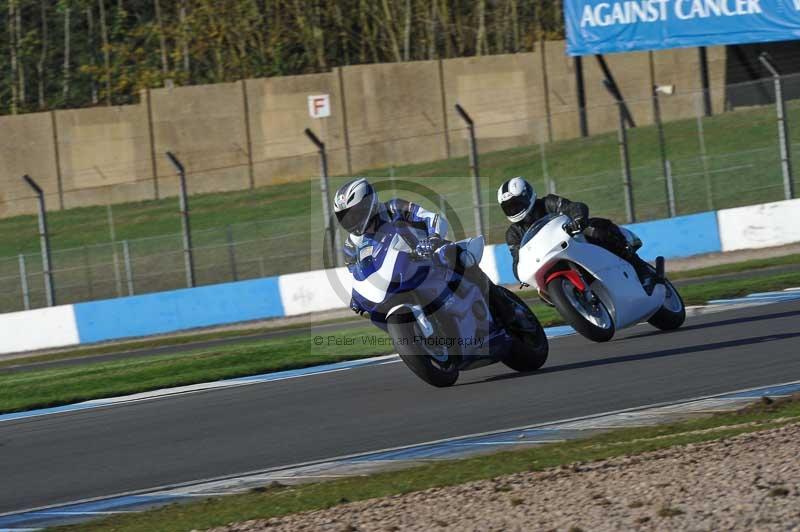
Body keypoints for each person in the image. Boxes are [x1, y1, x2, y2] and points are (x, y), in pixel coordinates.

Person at [333, 178, 516, 328]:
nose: (352, 221)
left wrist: (433, 238)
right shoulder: (351, 246)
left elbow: (431, 218)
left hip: (429, 257)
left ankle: (503, 307)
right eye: (346, 217)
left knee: (459, 256)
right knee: (376, 313)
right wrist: (356, 297)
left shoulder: (394, 208)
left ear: (369, 203)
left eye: (355, 214)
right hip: (397, 278)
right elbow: (358, 273)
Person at [497, 176, 657, 288]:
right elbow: (517, 259)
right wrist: (521, 273)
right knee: (543, 293)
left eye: (516, 205)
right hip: (548, 259)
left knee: (595, 229)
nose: (514, 210)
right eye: (509, 208)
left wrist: (578, 219)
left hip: (573, 242)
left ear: (527, 195)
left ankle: (640, 268)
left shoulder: (547, 203)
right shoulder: (513, 233)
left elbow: (573, 207)